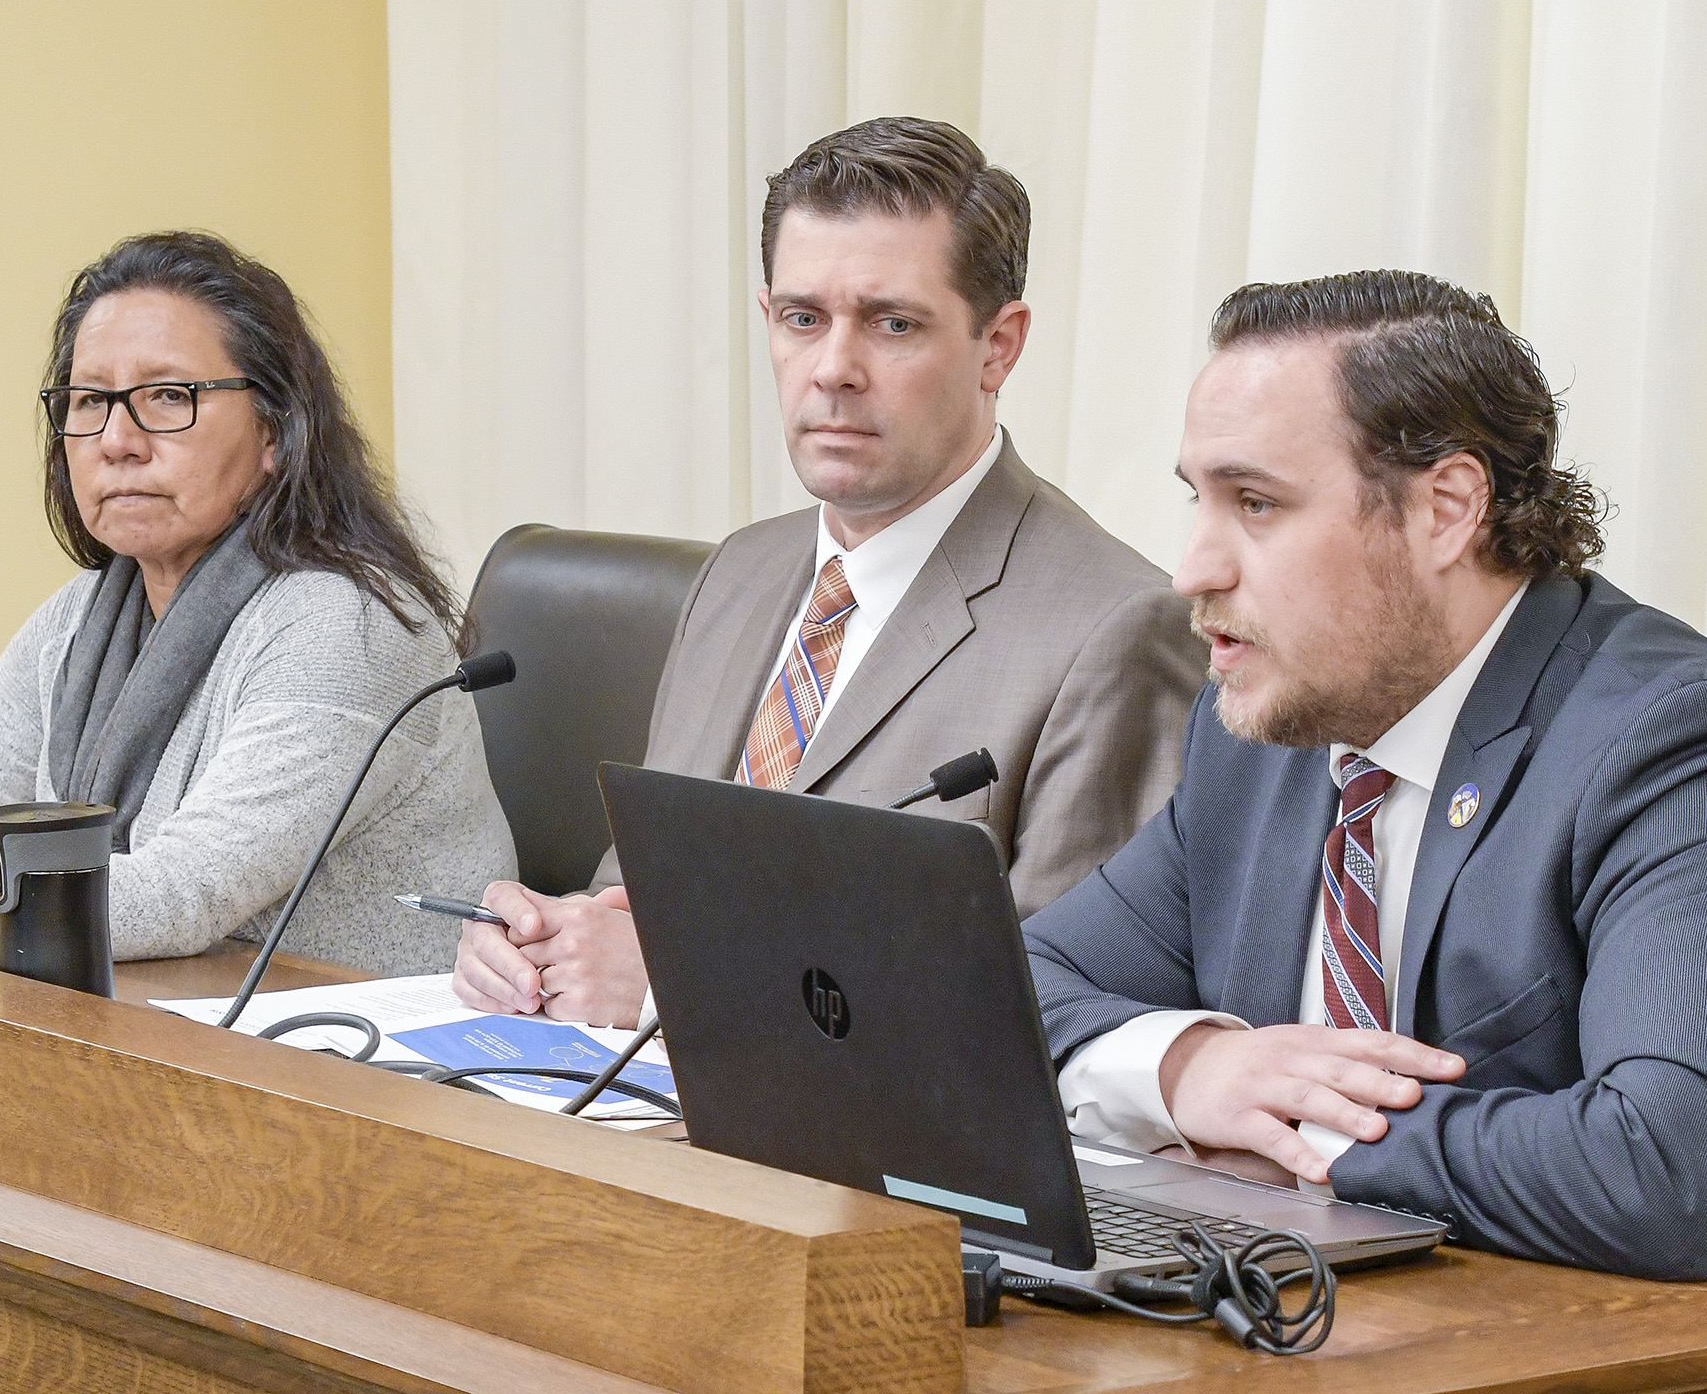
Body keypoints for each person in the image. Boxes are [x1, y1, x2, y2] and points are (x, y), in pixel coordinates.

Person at [1026, 269, 1707, 1394]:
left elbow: (1672, 1173)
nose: (1192, 568)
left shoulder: (1693, 751)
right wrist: (1193, 1068)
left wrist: (1308, 1129)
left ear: (1445, 508)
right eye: (1198, 500)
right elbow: (1021, 980)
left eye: (1256, 504)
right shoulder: (1262, 736)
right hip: (1340, 1383)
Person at [452, 116, 1206, 1029]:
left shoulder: (1116, 627)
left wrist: (673, 990)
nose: (835, 370)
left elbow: (1055, 1013)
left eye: (893, 324)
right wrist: (544, 942)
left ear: (999, 346)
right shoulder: (743, 570)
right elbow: (641, 891)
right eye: (804, 320)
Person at [0, 231, 513, 974]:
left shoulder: (348, 625)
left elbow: (188, 887)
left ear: (276, 432)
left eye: (169, 396)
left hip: (361, 1065)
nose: (117, 439)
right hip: (158, 1026)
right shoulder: (82, 618)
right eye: (90, 401)